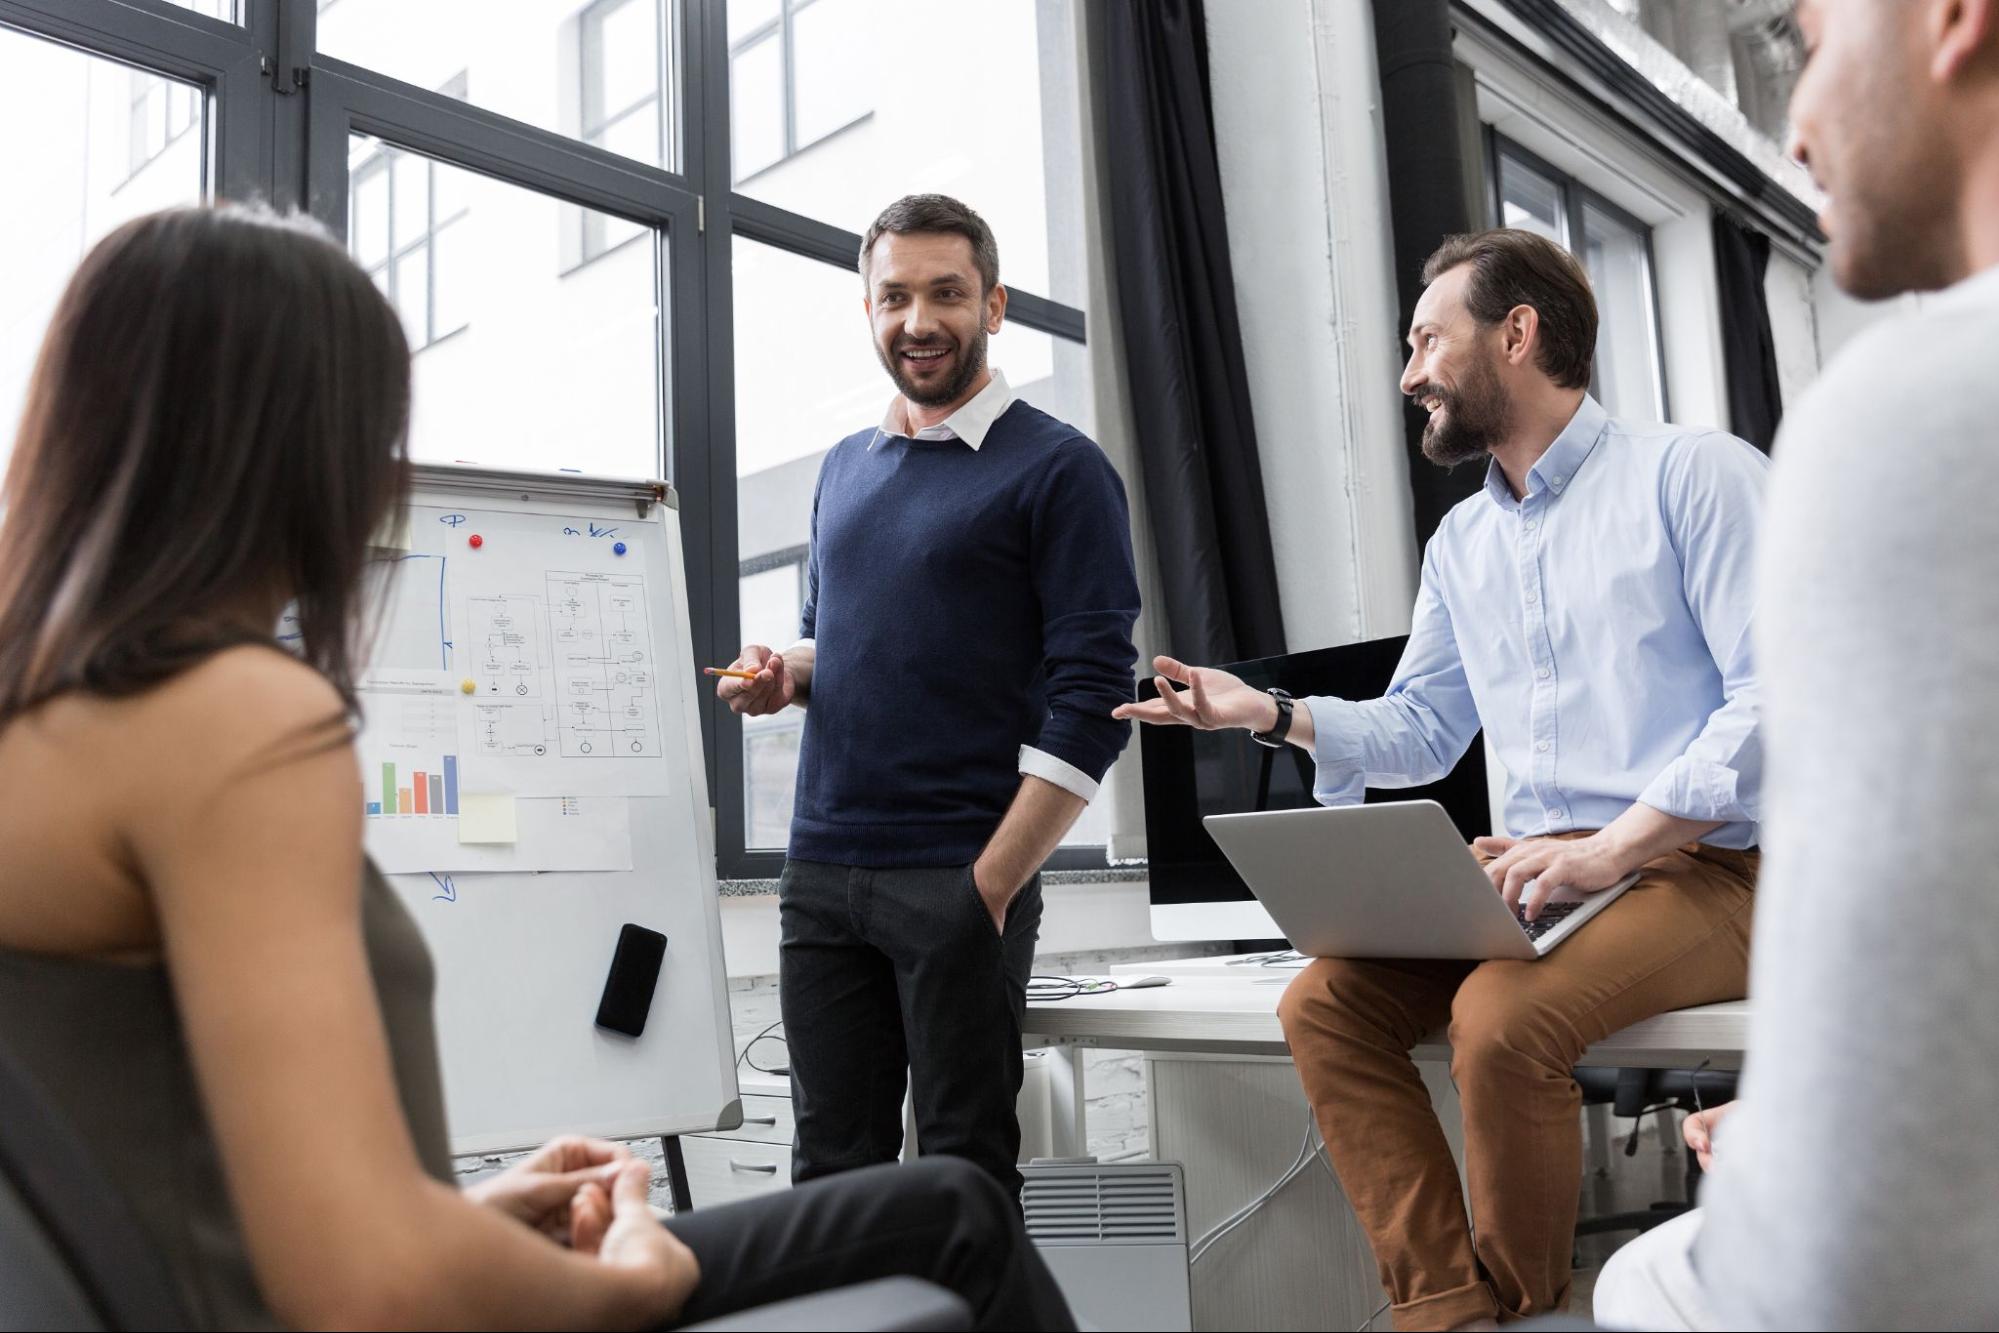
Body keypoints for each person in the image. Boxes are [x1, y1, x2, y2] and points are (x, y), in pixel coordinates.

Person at [0, 205, 1074, 1332]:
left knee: (931, 1189)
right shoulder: (237, 720)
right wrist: (631, 1278)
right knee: (955, 1212)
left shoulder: (50, 706)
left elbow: (204, 1176)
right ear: (289, 444)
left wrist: (477, 1212)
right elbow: (369, 1286)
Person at [1115, 227, 1768, 1328]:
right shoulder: (1463, 543)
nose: (1409, 374)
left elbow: (1773, 699)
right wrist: (1266, 711)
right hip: (1540, 875)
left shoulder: (1692, 474)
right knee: (1324, 1004)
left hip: (1704, 867)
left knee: (1500, 1022)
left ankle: (1519, 1310)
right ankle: (1452, 1314)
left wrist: (1609, 848)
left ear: (1516, 334)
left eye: (1427, 341)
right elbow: (1421, 730)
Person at [1592, 0, 1999, 1326]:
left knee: (1636, 1280)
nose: (1798, 124)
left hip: (1691, 878)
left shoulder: (1904, 421)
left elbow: (1860, 1262)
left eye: (1811, 45)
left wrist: (1793, 1156)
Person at [715, 194, 1139, 1196]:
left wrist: (988, 884)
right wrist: (783, 676)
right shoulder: (843, 468)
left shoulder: (1061, 470)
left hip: (958, 871)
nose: (918, 321)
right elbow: (836, 643)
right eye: (894, 297)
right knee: (829, 1182)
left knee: (960, 1178)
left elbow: (1093, 699)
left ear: (992, 306)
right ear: (867, 309)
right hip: (821, 877)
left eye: (945, 293)